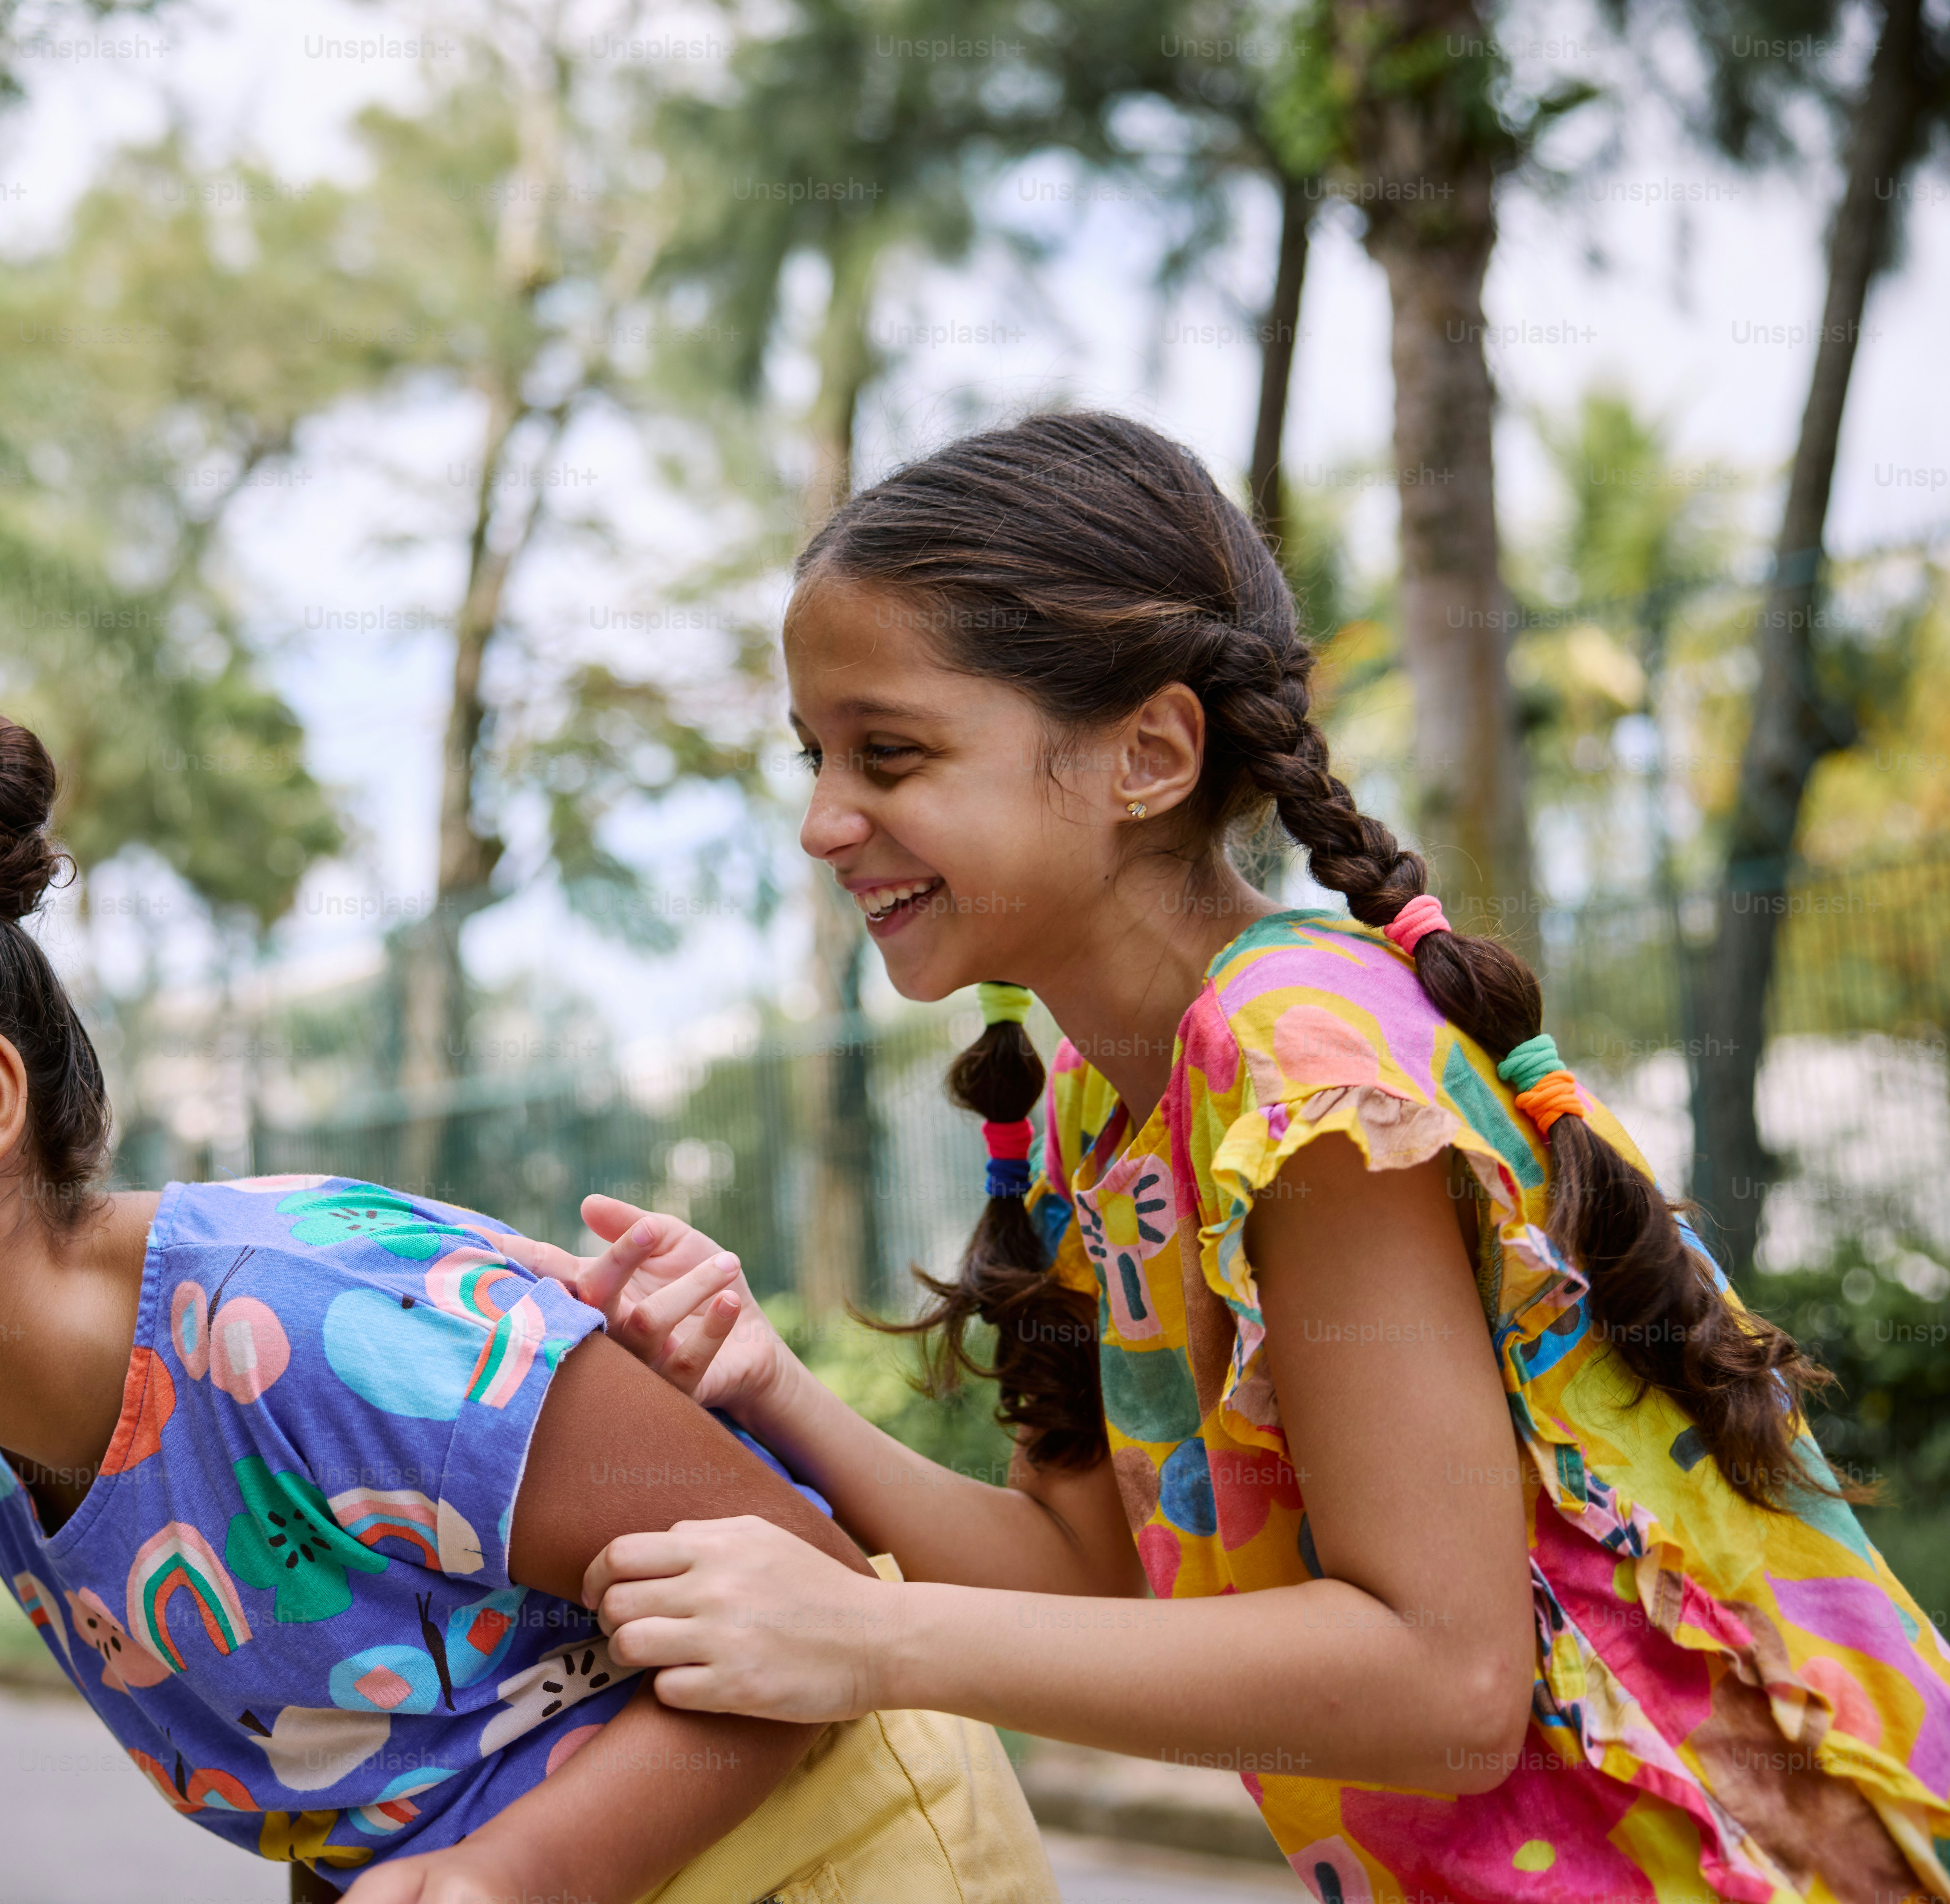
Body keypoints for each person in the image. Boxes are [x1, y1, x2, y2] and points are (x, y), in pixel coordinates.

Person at [566, 411, 1950, 1904]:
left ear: (1148, 755)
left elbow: (1447, 1683)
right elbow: (1096, 1580)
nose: (825, 823)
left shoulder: (1303, 1071)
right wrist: (763, 1380)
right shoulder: (1100, 1114)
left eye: (887, 754)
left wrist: (872, 1641)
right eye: (816, 757)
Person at [0, 714, 1056, 1904]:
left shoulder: (317, 1324)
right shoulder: (32, 1511)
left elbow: (811, 1609)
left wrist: (524, 1874)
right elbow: (358, 1808)